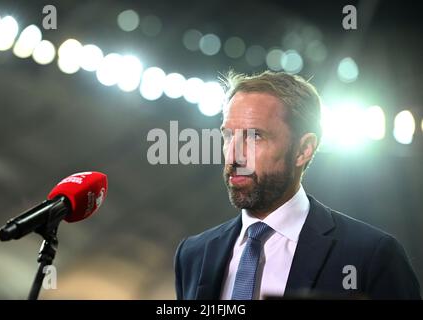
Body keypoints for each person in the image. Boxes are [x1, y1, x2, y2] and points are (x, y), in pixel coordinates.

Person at [174, 70, 421, 300]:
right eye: (229, 136)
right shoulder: (193, 254)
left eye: (255, 136)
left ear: (303, 150)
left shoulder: (371, 255)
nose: (233, 156)